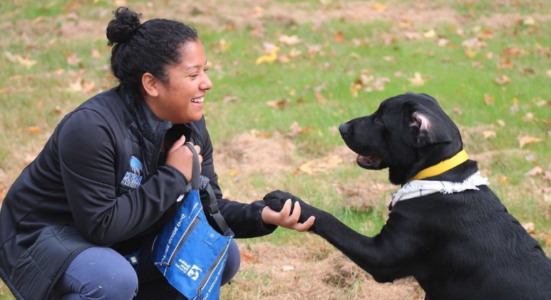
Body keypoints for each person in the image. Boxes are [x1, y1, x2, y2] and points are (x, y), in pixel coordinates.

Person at [0, 6, 315, 300]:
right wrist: (174, 174)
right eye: (193, 75)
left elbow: (208, 206)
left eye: (205, 71)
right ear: (151, 84)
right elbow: (100, 226)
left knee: (220, 254)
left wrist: (261, 215)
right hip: (42, 240)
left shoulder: (189, 124)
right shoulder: (92, 128)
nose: (207, 83)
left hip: (117, 242)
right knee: (112, 280)